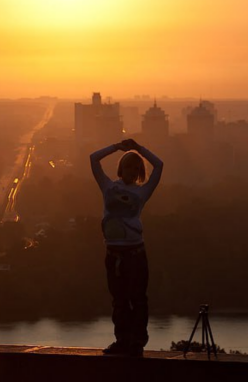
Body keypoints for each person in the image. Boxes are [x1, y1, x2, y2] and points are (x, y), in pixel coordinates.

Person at [90, 139, 163, 357]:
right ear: (121, 168)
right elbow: (93, 159)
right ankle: (122, 340)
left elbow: (159, 166)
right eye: (128, 166)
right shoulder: (108, 187)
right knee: (119, 300)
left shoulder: (142, 192)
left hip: (135, 254)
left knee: (138, 299)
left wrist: (139, 149)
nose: (131, 170)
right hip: (113, 254)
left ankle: (137, 342)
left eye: (136, 167)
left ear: (140, 172)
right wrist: (117, 147)